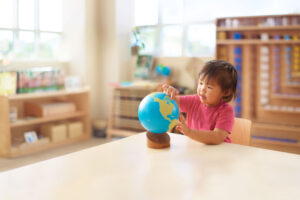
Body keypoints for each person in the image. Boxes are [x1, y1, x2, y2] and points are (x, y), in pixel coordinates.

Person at [162, 60, 238, 144]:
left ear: (226, 92)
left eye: (209, 87)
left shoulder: (226, 111)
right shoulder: (194, 100)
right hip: (195, 149)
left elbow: (217, 137)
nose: (202, 89)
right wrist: (169, 93)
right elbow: (172, 102)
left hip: (218, 152)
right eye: (201, 83)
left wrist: (189, 132)